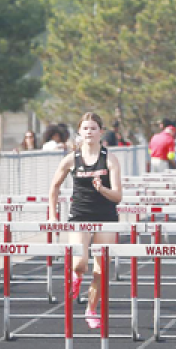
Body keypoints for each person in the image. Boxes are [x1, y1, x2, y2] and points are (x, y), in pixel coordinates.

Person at [48, 113, 123, 328]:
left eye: (93, 128)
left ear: (100, 131)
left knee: (102, 268)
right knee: (80, 264)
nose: (89, 132)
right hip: (80, 215)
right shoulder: (72, 159)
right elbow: (54, 187)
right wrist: (53, 216)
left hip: (106, 216)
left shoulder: (110, 159)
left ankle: (91, 309)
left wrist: (102, 189)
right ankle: (76, 276)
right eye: (85, 128)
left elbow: (118, 197)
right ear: (80, 132)